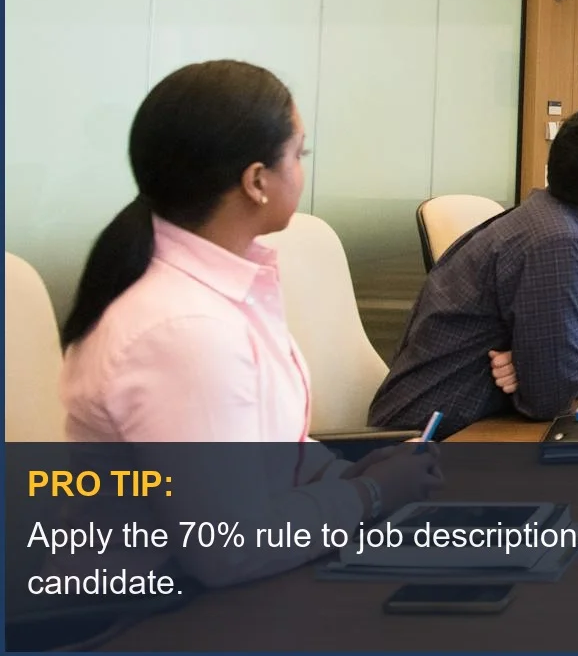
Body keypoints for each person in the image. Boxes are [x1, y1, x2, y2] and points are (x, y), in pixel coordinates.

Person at [59, 60, 441, 585]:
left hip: (232, 584)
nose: (302, 170)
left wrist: (347, 474)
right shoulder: (185, 328)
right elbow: (229, 547)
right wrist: (368, 494)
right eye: (299, 155)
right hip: (149, 611)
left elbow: (266, 448)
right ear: (257, 180)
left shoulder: (224, 289)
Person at [371, 101, 578, 437]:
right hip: (427, 442)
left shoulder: (576, 226)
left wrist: (537, 366)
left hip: (476, 423)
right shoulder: (558, 241)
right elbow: (550, 399)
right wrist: (546, 370)